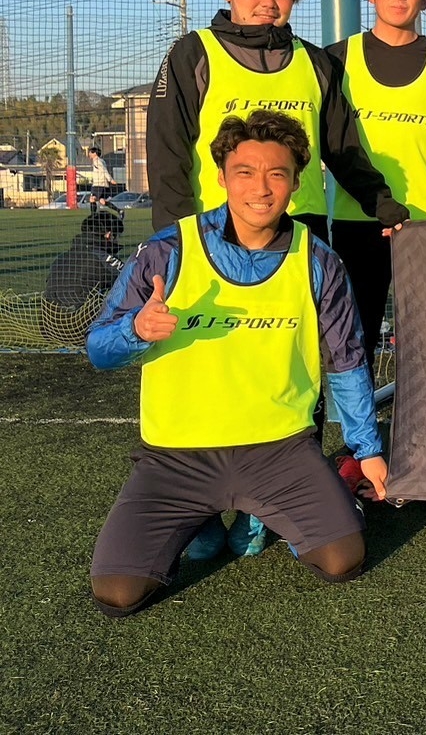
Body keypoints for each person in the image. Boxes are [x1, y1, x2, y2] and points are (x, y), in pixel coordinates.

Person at [87, 111, 388, 617]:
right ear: (222, 178)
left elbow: (347, 360)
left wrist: (368, 449)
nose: (261, 188)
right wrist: (135, 330)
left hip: (280, 453)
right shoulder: (167, 250)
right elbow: (98, 349)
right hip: (177, 459)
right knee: (117, 592)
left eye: (277, 174)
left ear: (296, 182)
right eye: (245, 172)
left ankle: (258, 511)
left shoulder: (318, 260)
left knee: (343, 559)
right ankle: (202, 521)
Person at [146, 0, 409, 240]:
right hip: (216, 229)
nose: (269, 2)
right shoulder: (194, 53)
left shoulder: (316, 62)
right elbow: (167, 152)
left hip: (303, 229)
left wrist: (384, 205)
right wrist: (175, 236)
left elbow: (344, 151)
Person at [327, 0, 426, 355]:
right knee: (355, 339)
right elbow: (333, 144)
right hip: (358, 219)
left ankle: (425, 404)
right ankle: (362, 404)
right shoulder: (338, 58)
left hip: (425, 220)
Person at [41, 206, 125, 344]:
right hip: (80, 328)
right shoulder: (105, 259)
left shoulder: (61, 258)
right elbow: (131, 280)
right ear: (109, 235)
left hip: (50, 327)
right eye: (117, 237)